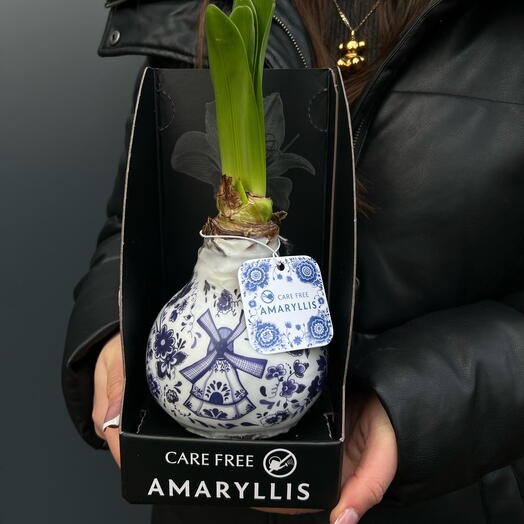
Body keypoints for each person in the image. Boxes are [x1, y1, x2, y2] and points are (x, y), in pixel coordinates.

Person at [61, 1, 524, 523]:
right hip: (206, 495)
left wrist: (416, 403)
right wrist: (115, 331)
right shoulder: (211, 4)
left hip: (454, 496)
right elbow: (132, 223)